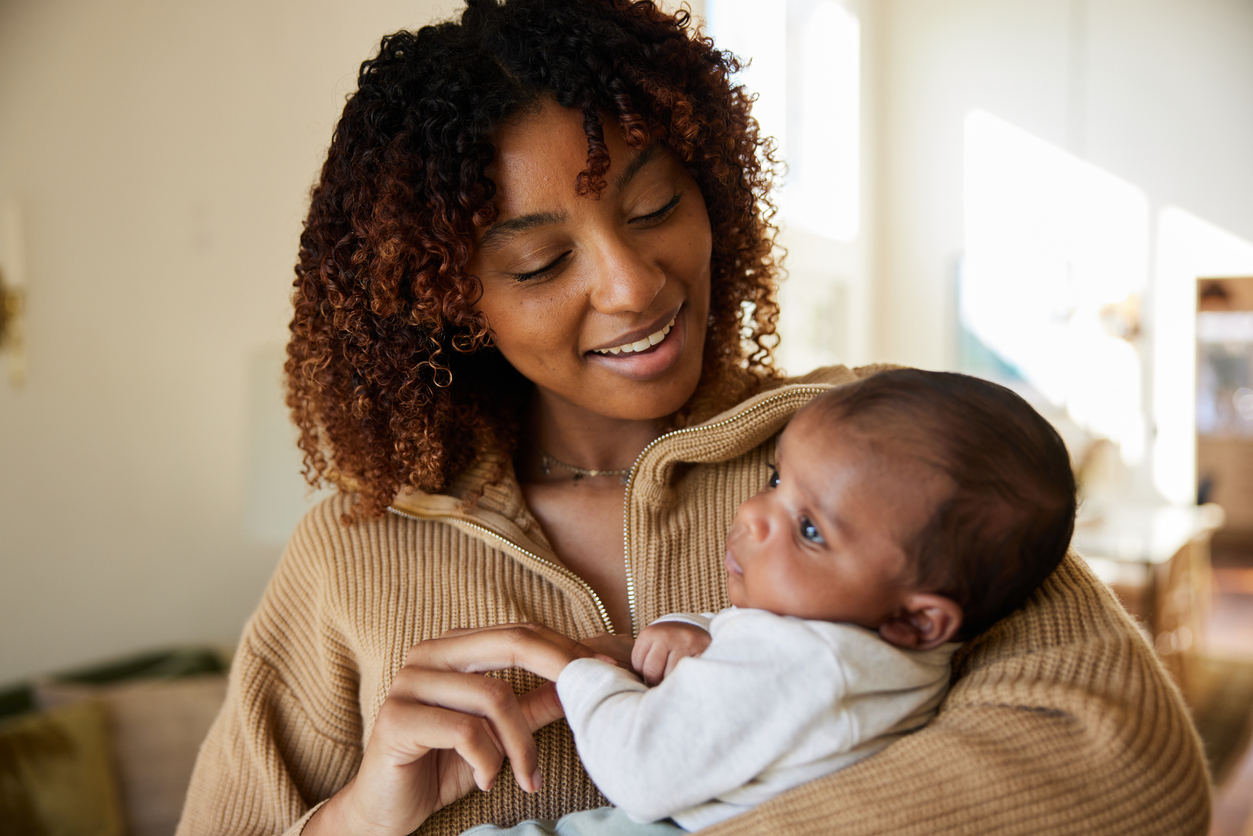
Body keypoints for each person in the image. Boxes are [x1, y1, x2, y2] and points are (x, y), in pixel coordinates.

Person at [176, 1, 1211, 835]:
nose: (631, 284)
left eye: (655, 206)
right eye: (540, 261)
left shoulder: (878, 452)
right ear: (449, 296)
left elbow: (1124, 771)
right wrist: (357, 816)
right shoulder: (351, 555)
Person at [459, 369, 1077, 835]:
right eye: (776, 480)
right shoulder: (859, 649)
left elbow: (641, 772)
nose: (754, 515)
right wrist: (688, 631)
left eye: (810, 530)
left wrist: (579, 673)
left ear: (916, 619)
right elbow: (753, 652)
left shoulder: (813, 662)